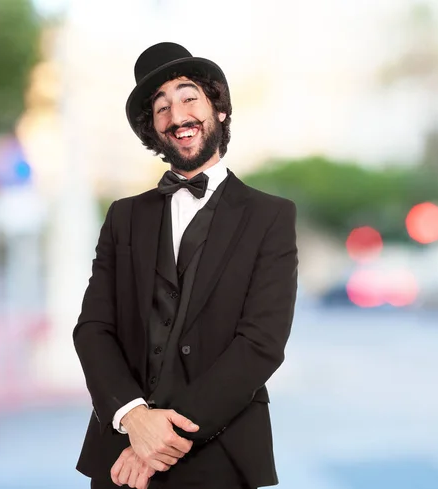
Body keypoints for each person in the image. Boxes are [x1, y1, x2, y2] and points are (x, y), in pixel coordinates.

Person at [73, 42, 298, 489]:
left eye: (188, 97)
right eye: (161, 109)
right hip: (121, 457)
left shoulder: (271, 216)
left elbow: (261, 343)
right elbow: (93, 328)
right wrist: (133, 416)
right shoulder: (123, 216)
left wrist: (162, 439)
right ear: (153, 131)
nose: (177, 117)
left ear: (219, 109)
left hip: (222, 453)